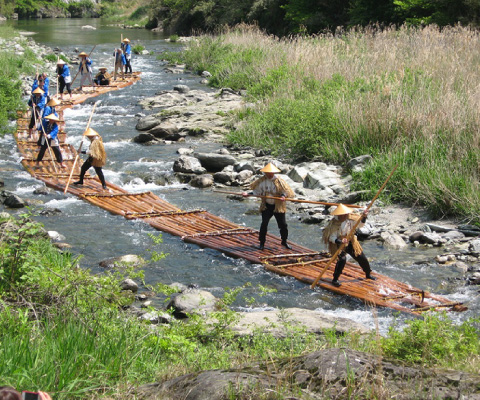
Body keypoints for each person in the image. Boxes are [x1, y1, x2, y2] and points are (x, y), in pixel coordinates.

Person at [242, 162, 295, 250]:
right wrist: (247, 194)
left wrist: (283, 196)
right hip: (266, 206)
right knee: (264, 224)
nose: (269, 174)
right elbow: (256, 192)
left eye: (271, 173)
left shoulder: (279, 181)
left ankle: (284, 241)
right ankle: (262, 243)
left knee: (283, 225)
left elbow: (285, 192)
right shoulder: (262, 181)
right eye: (268, 173)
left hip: (278, 206)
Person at [322, 204, 376, 287]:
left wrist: (364, 216)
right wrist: (340, 241)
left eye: (345, 214)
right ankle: (335, 279)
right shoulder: (334, 224)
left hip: (350, 240)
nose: (344, 216)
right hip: (338, 244)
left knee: (361, 257)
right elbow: (331, 238)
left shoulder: (350, 218)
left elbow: (361, 225)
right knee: (342, 259)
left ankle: (368, 274)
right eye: (342, 214)